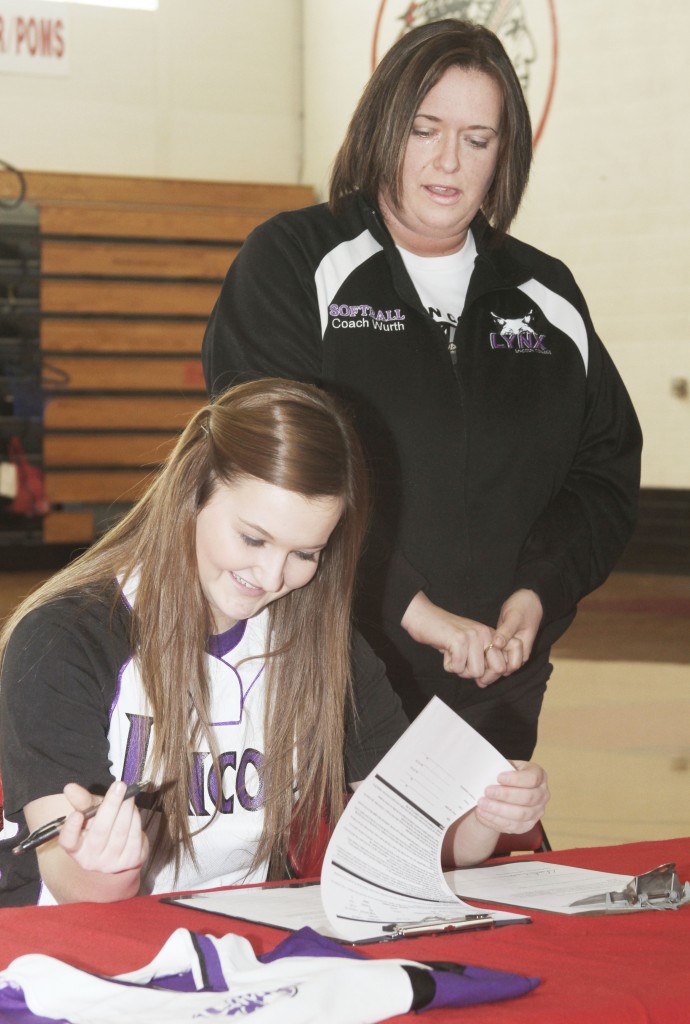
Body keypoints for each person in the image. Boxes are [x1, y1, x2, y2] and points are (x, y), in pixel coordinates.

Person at [203, 19, 642, 760]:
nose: (448, 162)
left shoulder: (547, 293)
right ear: (383, 128)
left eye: (478, 139)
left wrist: (537, 593)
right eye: (424, 129)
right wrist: (412, 609)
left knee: (476, 874)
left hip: (496, 683)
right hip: (324, 666)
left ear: (505, 153)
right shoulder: (293, 259)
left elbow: (602, 475)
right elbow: (268, 469)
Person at [0, 378, 548, 909]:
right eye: (253, 538)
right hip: (63, 944)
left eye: (306, 554)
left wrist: (484, 822)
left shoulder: (326, 646)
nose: (273, 577)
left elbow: (413, 836)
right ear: (191, 495)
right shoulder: (63, 638)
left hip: (237, 939)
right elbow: (68, 880)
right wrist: (112, 870)